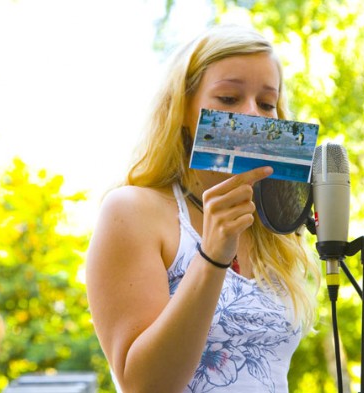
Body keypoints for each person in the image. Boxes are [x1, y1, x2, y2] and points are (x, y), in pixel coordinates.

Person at [85, 24, 320, 393]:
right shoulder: (132, 211)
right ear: (183, 109)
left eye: (267, 103)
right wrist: (212, 255)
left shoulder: (272, 228)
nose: (253, 116)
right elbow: (144, 386)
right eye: (228, 99)